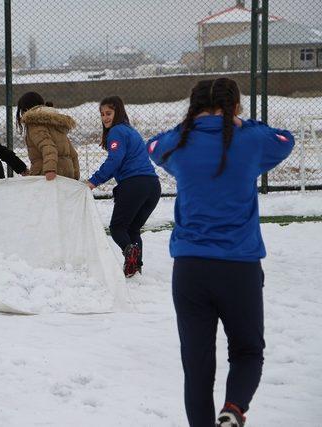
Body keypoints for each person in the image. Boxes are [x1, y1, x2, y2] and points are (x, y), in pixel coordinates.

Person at [147, 77, 294, 427]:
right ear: (236, 107)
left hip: (190, 270)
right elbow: (286, 140)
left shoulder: (180, 143)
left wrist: (188, 125)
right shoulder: (252, 140)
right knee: (247, 351)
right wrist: (247, 124)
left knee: (197, 368)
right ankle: (233, 409)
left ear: (193, 108)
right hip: (239, 269)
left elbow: (153, 146)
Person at [86, 96, 160, 277]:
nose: (105, 118)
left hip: (134, 184)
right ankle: (135, 269)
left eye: (109, 113)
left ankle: (130, 252)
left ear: (118, 111)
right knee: (132, 229)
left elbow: (115, 160)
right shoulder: (130, 131)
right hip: (153, 186)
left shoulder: (117, 132)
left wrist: (94, 181)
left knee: (117, 228)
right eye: (102, 114)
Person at [16, 91, 79, 181]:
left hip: (46, 174)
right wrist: (75, 176)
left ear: (26, 109)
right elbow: (73, 154)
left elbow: (48, 147)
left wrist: (50, 170)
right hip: (67, 172)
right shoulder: (55, 121)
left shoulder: (34, 123)